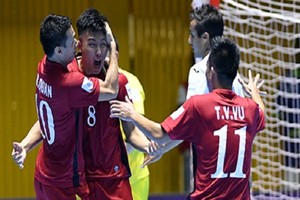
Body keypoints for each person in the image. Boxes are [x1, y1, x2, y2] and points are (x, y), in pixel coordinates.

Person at [110, 37, 266, 199]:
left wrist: (132, 114)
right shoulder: (250, 109)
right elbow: (261, 111)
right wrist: (254, 91)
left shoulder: (199, 105)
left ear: (211, 72)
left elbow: (159, 134)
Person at [12, 13, 119, 200]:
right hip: (64, 182)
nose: (78, 44)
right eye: (72, 43)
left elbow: (50, 119)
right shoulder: (71, 83)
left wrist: (25, 145)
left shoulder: (43, 66)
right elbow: (111, 89)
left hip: (43, 175)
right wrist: (112, 49)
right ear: (59, 51)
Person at [76, 9, 151, 200]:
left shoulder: (123, 83)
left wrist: (152, 147)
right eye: (92, 44)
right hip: (81, 181)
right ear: (79, 45)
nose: (100, 52)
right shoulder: (69, 81)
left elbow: (132, 133)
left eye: (105, 44)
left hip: (115, 180)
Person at [119, 68, 150, 200]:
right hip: (91, 177)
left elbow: (137, 129)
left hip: (133, 177)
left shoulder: (130, 82)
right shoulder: (83, 79)